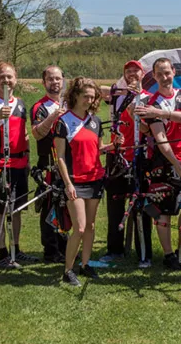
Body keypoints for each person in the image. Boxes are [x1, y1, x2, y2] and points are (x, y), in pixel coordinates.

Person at [54, 77, 123, 286]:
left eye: (92, 97)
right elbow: (59, 157)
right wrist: (68, 184)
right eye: (85, 96)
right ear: (75, 95)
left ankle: (85, 265)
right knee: (80, 228)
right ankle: (68, 270)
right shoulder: (63, 122)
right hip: (74, 181)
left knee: (91, 226)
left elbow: (98, 148)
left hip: (95, 180)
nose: (89, 101)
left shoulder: (95, 121)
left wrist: (113, 146)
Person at [134, 57, 181, 271]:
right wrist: (176, 163)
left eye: (167, 72)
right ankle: (169, 255)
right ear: (155, 76)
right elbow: (160, 138)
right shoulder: (150, 103)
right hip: (165, 160)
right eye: (160, 74)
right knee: (164, 211)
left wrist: (160, 114)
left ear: (174, 72)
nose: (165, 77)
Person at [0, 62, 38, 269]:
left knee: (16, 209)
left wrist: (28, 160)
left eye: (9, 77)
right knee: (0, 209)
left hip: (20, 163)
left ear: (15, 78)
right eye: (2, 77)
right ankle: (3, 253)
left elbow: (23, 133)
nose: (6, 81)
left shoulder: (21, 103)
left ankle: (16, 248)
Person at [101, 60, 154, 268]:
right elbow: (97, 90)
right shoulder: (117, 96)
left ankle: (144, 253)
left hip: (140, 156)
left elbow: (151, 129)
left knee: (141, 206)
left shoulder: (150, 98)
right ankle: (115, 250)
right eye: (128, 71)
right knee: (114, 205)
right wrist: (122, 90)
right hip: (117, 155)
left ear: (144, 74)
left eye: (136, 71)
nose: (132, 74)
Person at [31, 65, 68, 264]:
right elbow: (37, 133)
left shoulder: (70, 103)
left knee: (66, 207)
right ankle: (51, 250)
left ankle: (65, 247)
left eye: (58, 78)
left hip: (67, 164)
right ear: (44, 82)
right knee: (49, 207)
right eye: (50, 79)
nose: (55, 82)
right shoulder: (40, 107)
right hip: (48, 165)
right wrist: (53, 116)